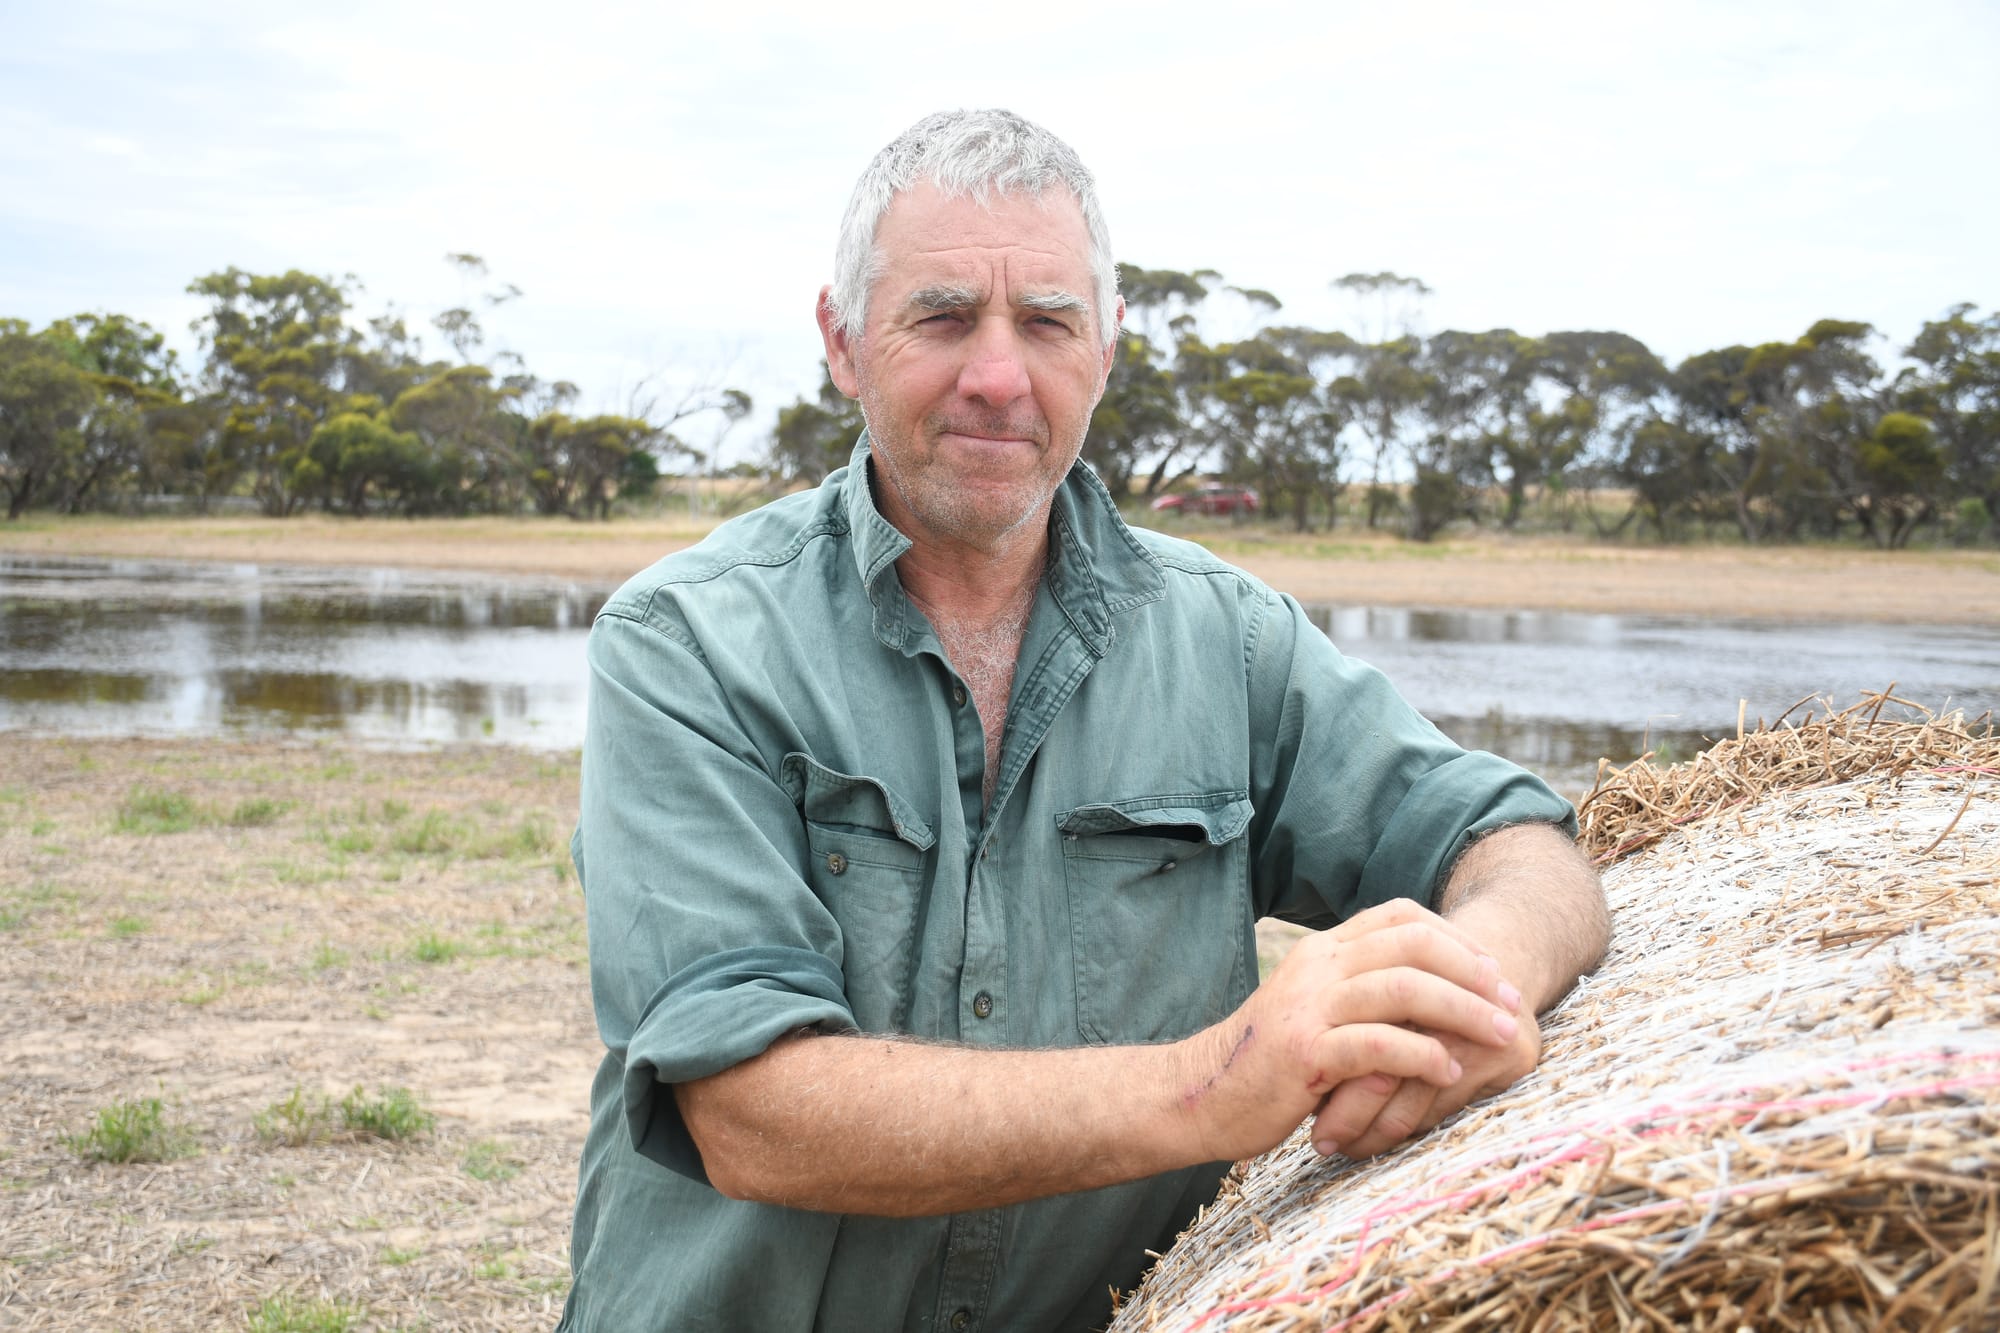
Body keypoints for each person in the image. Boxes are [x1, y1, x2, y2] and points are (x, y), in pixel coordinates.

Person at [558, 109, 1609, 1332]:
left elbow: (1522, 844)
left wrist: (1477, 995)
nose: (997, 376)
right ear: (842, 343)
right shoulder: (685, 645)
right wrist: (1220, 1084)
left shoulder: (1229, 638)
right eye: (942, 316)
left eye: (1047, 322)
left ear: (1106, 349)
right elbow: (749, 1111)